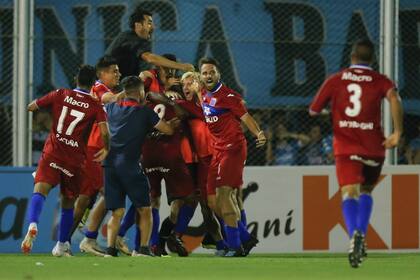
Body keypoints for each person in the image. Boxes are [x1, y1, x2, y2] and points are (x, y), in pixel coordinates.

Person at [309, 38, 403, 268]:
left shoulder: (336, 79)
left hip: (346, 145)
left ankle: (355, 235)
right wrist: (398, 131)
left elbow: (313, 110)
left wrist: (336, 114)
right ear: (372, 59)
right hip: (374, 146)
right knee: (367, 190)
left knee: (349, 192)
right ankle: (361, 234)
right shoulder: (381, 80)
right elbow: (394, 97)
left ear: (351, 57)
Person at [21, 65, 110, 256]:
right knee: (68, 203)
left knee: (40, 190)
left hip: (53, 152)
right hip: (74, 160)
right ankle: (61, 245)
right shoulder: (96, 106)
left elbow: (32, 106)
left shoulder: (60, 93)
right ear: (94, 83)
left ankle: (33, 224)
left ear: (76, 78)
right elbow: (104, 131)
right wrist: (107, 148)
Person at [198, 57, 266, 257]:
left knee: (225, 195)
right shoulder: (202, 93)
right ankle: (245, 238)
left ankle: (236, 246)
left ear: (218, 74)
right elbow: (192, 84)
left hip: (233, 149)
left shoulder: (228, 95)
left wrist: (259, 133)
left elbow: (246, 117)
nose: (208, 75)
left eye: (212, 72)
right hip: (217, 151)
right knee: (212, 202)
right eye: (205, 73)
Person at [103, 76, 174, 257]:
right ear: (141, 92)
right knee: (145, 208)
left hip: (110, 165)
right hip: (130, 165)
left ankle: (110, 250)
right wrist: (171, 124)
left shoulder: (111, 108)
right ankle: (142, 249)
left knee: (117, 211)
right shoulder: (145, 112)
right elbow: (168, 130)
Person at [75, 56, 123, 256]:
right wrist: (131, 91)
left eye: (119, 71)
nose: (118, 74)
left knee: (86, 197)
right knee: (109, 192)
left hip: (100, 148)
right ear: (101, 74)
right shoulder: (98, 87)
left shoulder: (107, 90)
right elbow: (107, 99)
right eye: (114, 71)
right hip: (93, 148)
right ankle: (87, 238)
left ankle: (67, 241)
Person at [105, 6, 194, 78]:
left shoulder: (141, 41)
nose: (153, 27)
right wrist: (182, 66)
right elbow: (150, 58)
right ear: (138, 25)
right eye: (149, 23)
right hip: (111, 85)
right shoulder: (129, 38)